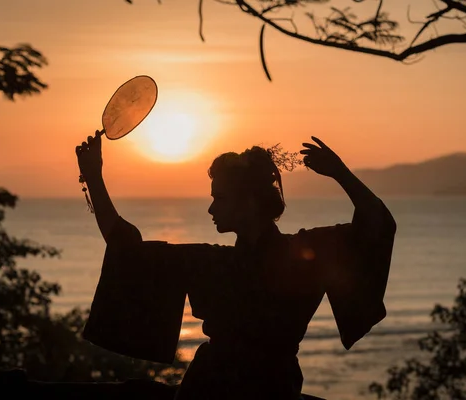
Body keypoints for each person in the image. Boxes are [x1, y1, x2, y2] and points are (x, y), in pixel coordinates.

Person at [75, 132, 396, 400]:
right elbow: (376, 223)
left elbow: (128, 250)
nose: (211, 208)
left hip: (217, 389)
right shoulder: (304, 253)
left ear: (249, 202)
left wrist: (94, 177)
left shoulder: (217, 263)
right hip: (270, 389)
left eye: (220, 198)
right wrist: (341, 173)